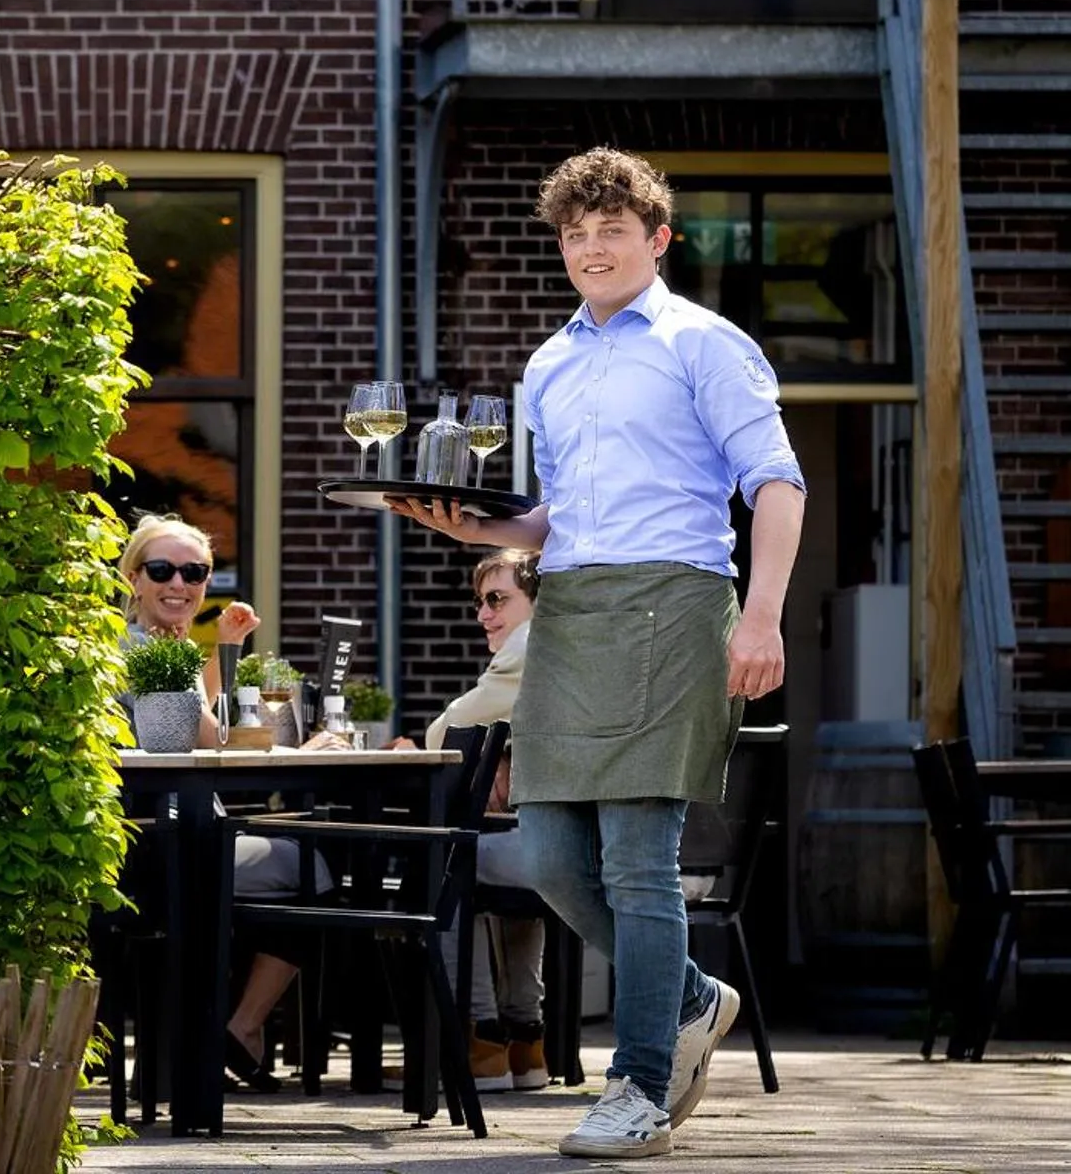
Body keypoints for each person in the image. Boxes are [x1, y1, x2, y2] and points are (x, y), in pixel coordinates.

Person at [393, 147, 804, 1160]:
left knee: (636, 859)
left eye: (611, 230)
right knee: (546, 855)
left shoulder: (705, 343)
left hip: (675, 602)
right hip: (571, 609)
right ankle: (691, 994)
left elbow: (775, 481)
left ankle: (638, 1086)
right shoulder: (548, 363)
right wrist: (475, 529)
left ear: (656, 239)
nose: (591, 248)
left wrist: (760, 617)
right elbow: (555, 518)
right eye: (575, 235)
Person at [116, 514, 337, 1092]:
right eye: (162, 570)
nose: (180, 583)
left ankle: (212, 1039)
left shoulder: (161, 646)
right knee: (311, 872)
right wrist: (300, 747)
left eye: (195, 573)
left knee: (286, 870)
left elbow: (195, 718)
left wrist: (225, 648)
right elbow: (209, 737)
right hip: (163, 844)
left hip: (163, 834)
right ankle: (239, 1029)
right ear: (133, 577)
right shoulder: (137, 651)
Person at [393, 549, 551, 1094]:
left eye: (498, 600)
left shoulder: (529, 647)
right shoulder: (570, 648)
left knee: (444, 860)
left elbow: (449, 731)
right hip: (573, 838)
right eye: (480, 602)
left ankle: (479, 1037)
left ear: (538, 602)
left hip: (558, 851)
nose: (484, 614)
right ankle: (525, 1039)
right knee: (486, 848)